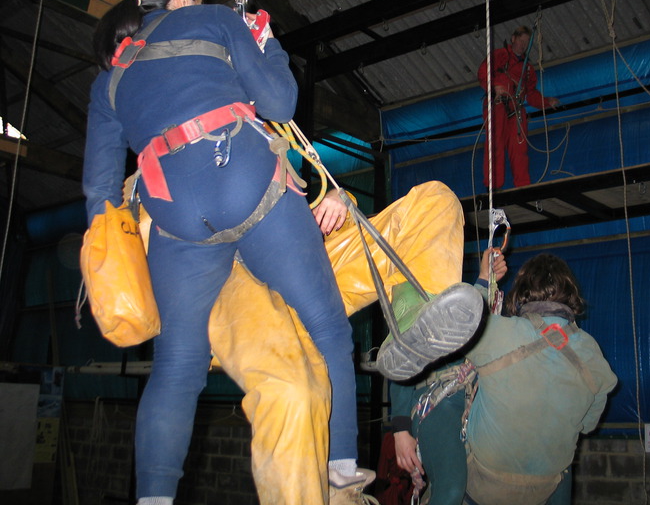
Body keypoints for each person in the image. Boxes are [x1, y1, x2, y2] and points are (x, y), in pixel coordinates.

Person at [83, 0, 369, 505]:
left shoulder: (109, 82)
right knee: (328, 327)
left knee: (177, 365)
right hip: (247, 185)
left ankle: (154, 497)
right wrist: (266, 41)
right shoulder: (213, 19)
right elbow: (280, 101)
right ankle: (340, 465)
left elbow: (99, 195)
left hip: (177, 223)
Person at [134, 179, 480, 504]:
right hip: (239, 288)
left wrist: (339, 199)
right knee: (295, 393)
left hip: (306, 264)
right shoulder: (164, 161)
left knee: (435, 200)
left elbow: (296, 206)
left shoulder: (261, 134)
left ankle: (412, 315)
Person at [463, 253, 618, 505]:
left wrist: (484, 279)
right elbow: (587, 425)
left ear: (521, 291)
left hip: (482, 485)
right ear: (570, 293)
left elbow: (460, 324)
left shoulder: (499, 333)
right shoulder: (591, 352)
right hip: (544, 489)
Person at [389, 249, 507, 505]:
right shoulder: (406, 286)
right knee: (452, 490)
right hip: (436, 400)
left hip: (472, 393)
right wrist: (400, 430)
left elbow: (466, 323)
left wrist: (488, 279)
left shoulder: (448, 283)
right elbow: (399, 358)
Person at [477, 26, 560, 189]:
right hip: (498, 104)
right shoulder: (501, 55)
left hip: (516, 110)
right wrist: (494, 87)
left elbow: (531, 93)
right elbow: (483, 73)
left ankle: (523, 187)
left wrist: (546, 102)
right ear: (513, 38)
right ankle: (493, 188)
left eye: (526, 42)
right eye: (521, 40)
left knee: (519, 149)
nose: (523, 45)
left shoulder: (527, 68)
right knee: (496, 146)